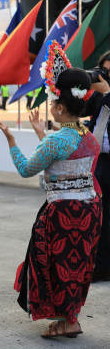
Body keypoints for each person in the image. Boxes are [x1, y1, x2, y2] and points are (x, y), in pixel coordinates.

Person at [0, 42, 101, 338]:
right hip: (89, 211)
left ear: (61, 107)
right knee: (77, 267)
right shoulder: (88, 137)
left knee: (55, 267)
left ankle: (68, 322)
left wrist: (12, 141)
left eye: (53, 100)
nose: (50, 105)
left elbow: (27, 168)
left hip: (63, 213)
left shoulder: (56, 142)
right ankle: (70, 319)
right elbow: (66, 155)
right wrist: (43, 133)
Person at [85, 51, 110, 283]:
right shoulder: (100, 96)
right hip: (101, 163)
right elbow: (86, 117)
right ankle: (102, 266)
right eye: (104, 71)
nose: (106, 77)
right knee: (101, 216)